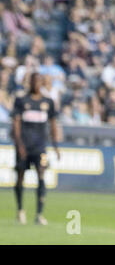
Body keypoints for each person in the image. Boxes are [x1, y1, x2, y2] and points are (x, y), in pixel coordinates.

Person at [11, 72, 61, 225]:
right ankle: (20, 210)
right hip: (24, 147)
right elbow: (16, 125)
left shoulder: (48, 102)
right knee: (20, 177)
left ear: (42, 83)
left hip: (40, 147)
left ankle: (39, 214)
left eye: (39, 81)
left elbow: (53, 125)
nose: (36, 84)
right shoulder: (21, 101)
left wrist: (56, 146)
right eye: (33, 81)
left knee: (41, 174)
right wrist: (19, 145)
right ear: (29, 83)